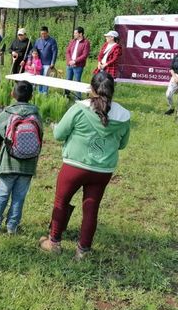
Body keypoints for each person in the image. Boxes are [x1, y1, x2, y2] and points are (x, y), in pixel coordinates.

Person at [39, 71, 130, 260]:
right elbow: (122, 144)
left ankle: (54, 242)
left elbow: (58, 135)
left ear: (91, 88)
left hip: (75, 166)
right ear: (112, 90)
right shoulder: (123, 115)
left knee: (61, 202)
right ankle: (83, 251)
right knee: (91, 208)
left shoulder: (79, 109)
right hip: (102, 170)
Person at [0, 81, 43, 235]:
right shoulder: (36, 114)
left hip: (8, 162)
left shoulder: (7, 113)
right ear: (31, 96)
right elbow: (40, 136)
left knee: (3, 194)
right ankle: (12, 226)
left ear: (12, 94)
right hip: (28, 164)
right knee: (19, 197)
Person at [66, 26, 91, 99]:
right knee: (68, 80)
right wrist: (70, 60)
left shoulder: (86, 43)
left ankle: (78, 98)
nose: (74, 34)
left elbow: (85, 55)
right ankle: (66, 96)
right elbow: (67, 52)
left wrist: (75, 61)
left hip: (78, 66)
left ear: (80, 34)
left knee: (77, 82)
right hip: (69, 64)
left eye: (75, 33)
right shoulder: (73, 41)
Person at [33, 26, 58, 94]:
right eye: (42, 34)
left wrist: (52, 62)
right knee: (40, 78)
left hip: (48, 64)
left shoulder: (52, 41)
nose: (43, 35)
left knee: (46, 79)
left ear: (47, 33)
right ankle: (40, 92)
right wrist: (34, 55)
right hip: (39, 63)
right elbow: (34, 49)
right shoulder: (38, 40)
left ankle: (45, 93)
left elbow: (54, 52)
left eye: (44, 33)